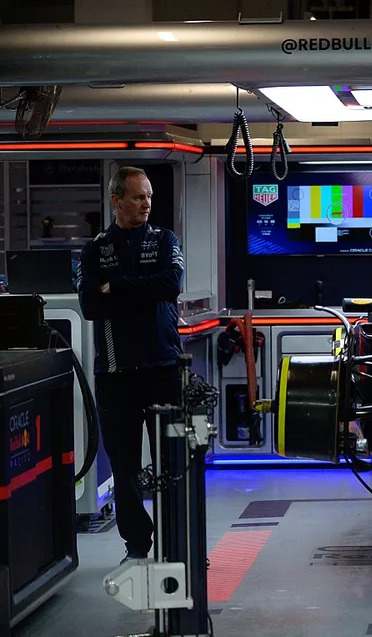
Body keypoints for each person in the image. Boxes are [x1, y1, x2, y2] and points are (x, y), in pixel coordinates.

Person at [78, 166, 185, 564]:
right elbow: (90, 305)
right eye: (139, 197)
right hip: (116, 375)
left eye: (150, 197)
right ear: (116, 200)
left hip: (163, 370)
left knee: (173, 464)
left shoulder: (164, 239)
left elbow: (170, 284)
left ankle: (180, 543)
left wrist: (117, 285)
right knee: (124, 471)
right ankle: (137, 548)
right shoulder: (95, 249)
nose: (147, 204)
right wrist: (142, 289)